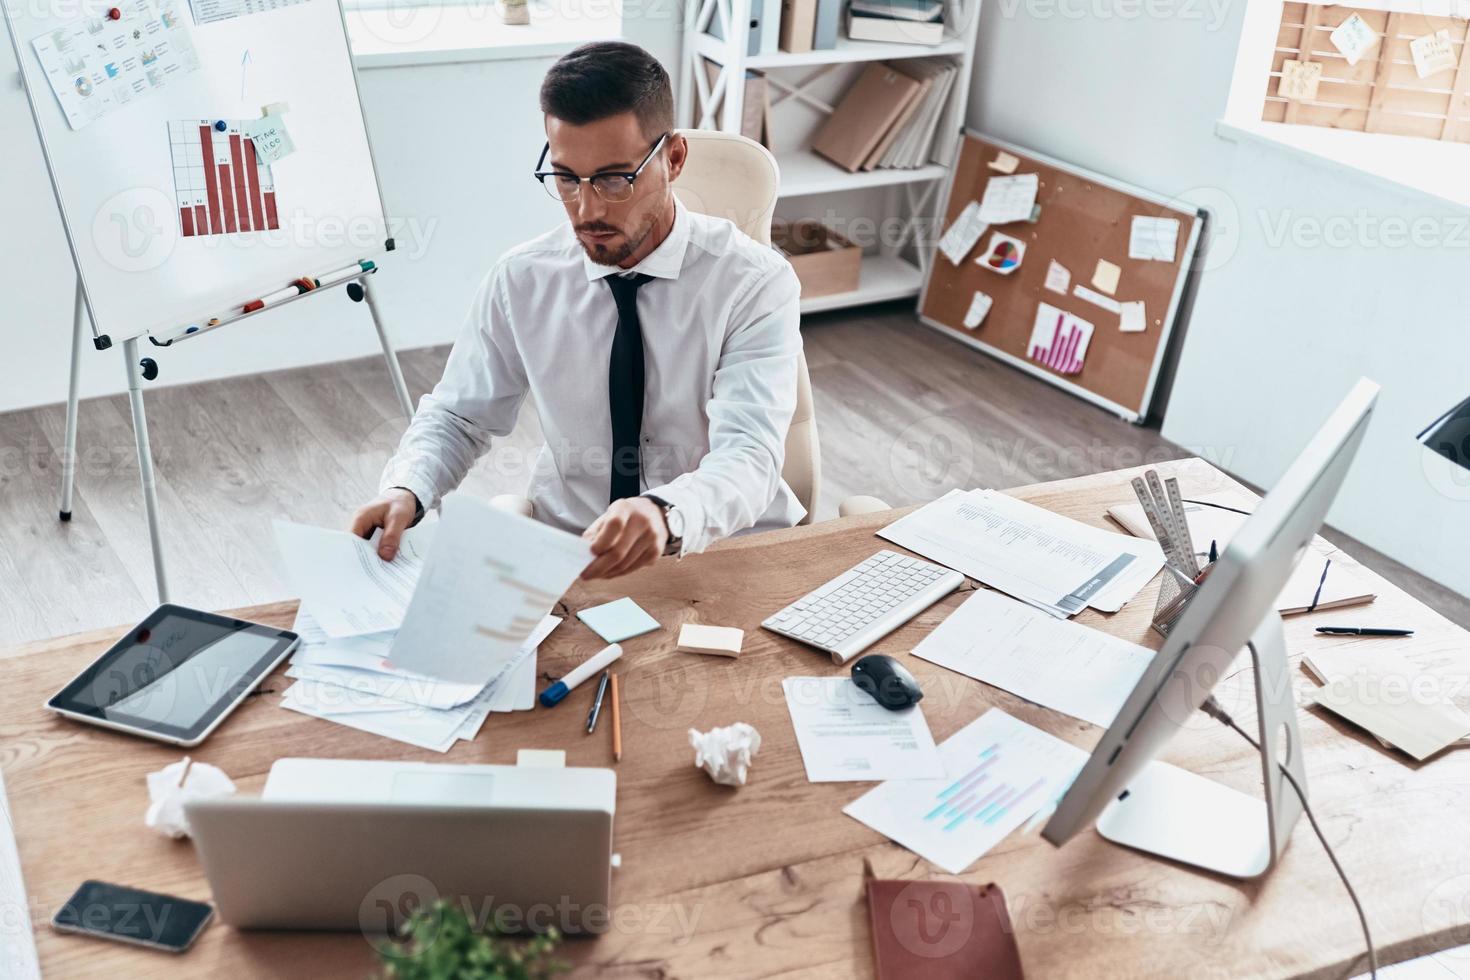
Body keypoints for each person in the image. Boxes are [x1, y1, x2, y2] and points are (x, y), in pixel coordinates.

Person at [350, 41, 804, 580]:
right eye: (566, 178)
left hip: (723, 549)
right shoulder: (522, 278)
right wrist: (409, 487)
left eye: (616, 178)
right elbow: (459, 415)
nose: (587, 210)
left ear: (674, 158)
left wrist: (665, 513)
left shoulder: (753, 282)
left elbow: (749, 457)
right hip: (573, 552)